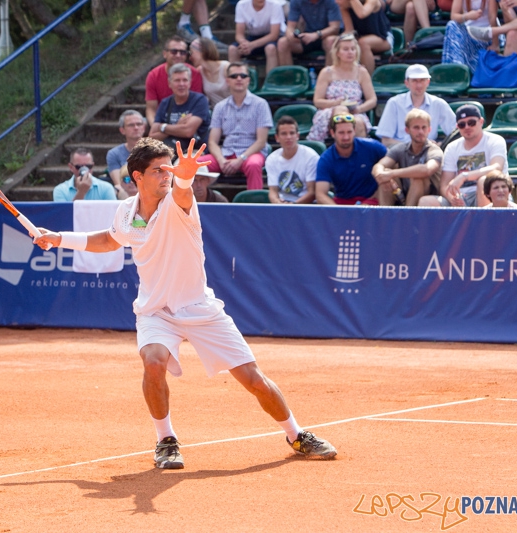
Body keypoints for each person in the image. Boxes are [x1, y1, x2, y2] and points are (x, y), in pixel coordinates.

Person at [32, 138, 338, 469]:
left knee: (253, 380)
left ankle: (296, 434)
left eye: (169, 170)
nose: (166, 176)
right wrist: (59, 238)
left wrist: (186, 176)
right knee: (153, 361)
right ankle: (166, 440)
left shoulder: (179, 204)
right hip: (155, 311)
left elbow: (181, 191)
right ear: (137, 177)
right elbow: (108, 239)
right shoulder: (126, 211)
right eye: (158, 171)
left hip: (200, 309)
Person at [198, 62, 273, 190]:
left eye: (243, 76)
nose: (239, 79)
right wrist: (221, 160)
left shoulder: (261, 104)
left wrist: (241, 159)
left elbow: (261, 142)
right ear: (228, 81)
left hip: (251, 153)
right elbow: (212, 142)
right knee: (195, 164)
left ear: (248, 80)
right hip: (226, 153)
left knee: (254, 165)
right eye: (234, 76)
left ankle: (256, 205)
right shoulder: (220, 107)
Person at [418, 105, 508, 207]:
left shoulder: (495, 140)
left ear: (481, 122)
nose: (467, 127)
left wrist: (465, 176)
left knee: (483, 181)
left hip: (491, 195)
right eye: (462, 124)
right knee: (426, 202)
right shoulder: (452, 147)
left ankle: (483, 223)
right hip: (461, 197)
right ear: (457, 127)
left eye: (471, 123)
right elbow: (444, 185)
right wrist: (453, 199)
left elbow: (497, 168)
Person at [307, 33, 377, 142]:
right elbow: (317, 101)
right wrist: (335, 103)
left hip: (355, 112)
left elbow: (372, 99)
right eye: (345, 49)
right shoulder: (327, 72)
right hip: (330, 111)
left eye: (353, 49)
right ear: (337, 52)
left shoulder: (362, 72)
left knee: (357, 122)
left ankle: (359, 154)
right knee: (342, 110)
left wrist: (359, 109)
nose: (350, 52)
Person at [372, 109, 444, 206]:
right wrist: (380, 175)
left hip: (430, 198)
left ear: (429, 130)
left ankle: (407, 216)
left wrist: (392, 174)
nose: (421, 131)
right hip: (404, 194)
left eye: (424, 127)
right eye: (416, 127)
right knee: (386, 180)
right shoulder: (400, 148)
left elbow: (427, 169)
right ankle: (385, 218)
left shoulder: (434, 150)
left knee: (418, 179)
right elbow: (380, 165)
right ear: (407, 130)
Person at [375, 64, 457, 148]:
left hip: (429, 151)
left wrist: (440, 145)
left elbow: (456, 132)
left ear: (428, 82)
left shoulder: (438, 103)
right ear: (407, 83)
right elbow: (386, 140)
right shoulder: (394, 103)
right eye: (414, 81)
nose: (419, 85)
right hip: (401, 152)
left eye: (422, 80)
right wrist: (414, 147)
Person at [315, 114, 387, 205]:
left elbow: (392, 160)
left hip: (372, 200)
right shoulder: (326, 159)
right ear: (333, 133)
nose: (346, 137)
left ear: (354, 131)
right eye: (341, 133)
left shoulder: (372, 146)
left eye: (349, 132)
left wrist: (377, 194)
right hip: (343, 202)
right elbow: (320, 194)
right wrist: (338, 211)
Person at [145, 37, 204, 127]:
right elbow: (151, 109)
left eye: (182, 52)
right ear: (165, 54)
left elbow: (195, 106)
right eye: (174, 51)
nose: (178, 55)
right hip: (162, 119)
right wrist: (156, 128)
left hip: (187, 119)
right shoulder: (154, 75)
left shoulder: (194, 74)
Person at [150, 64, 211, 149]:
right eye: (177, 80)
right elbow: (152, 136)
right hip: (169, 148)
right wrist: (177, 126)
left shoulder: (200, 100)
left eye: (185, 80)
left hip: (194, 150)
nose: (181, 84)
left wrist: (163, 127)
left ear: (189, 83)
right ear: (169, 83)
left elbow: (188, 131)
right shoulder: (165, 103)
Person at [266, 116, 319, 204]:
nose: (288, 137)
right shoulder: (271, 159)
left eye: (292, 133)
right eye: (284, 134)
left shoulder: (311, 156)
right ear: (277, 138)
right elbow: (273, 191)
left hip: (306, 206)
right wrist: (277, 202)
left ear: (297, 136)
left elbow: (312, 192)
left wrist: (293, 206)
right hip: (283, 205)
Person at [277, 0, 342, 66]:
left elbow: (335, 28)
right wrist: (291, 35)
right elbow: (290, 27)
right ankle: (288, 74)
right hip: (306, 37)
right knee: (283, 43)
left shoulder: (331, 1)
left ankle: (329, 75)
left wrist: (316, 35)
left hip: (325, 37)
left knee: (331, 41)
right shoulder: (296, 1)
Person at [441, 0, 499, 74]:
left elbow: (492, 18)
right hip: (469, 33)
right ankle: (456, 68)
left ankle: (462, 71)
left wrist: (495, 43)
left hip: (486, 34)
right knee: (451, 25)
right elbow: (453, 15)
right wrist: (467, 16)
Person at [228, 0, 286, 74]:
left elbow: (274, 35)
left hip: (270, 38)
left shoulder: (275, 5)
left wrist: (252, 45)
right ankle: (235, 78)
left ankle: (270, 81)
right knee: (232, 49)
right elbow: (239, 34)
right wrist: (244, 43)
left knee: (270, 48)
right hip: (253, 36)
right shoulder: (241, 5)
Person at [336, 0, 393, 73]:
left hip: (383, 37)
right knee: (338, 42)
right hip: (361, 37)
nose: (336, 2)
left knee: (363, 43)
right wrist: (341, 40)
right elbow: (349, 31)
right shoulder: (344, 7)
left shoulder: (372, 1)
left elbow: (361, 14)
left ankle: (368, 78)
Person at [107, 110, 148, 200]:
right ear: (122, 130)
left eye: (139, 124)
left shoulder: (155, 151)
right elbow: (118, 184)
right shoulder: (114, 154)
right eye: (131, 125)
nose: (136, 127)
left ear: (144, 127)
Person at [52, 148, 117, 202]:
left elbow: (113, 214)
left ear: (92, 166)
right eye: (79, 166)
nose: (84, 170)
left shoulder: (106, 188)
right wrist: (81, 192)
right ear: (71, 167)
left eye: (88, 166)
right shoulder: (60, 190)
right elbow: (65, 216)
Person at [189, 37, 231, 107]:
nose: (190, 57)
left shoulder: (226, 68)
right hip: (216, 113)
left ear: (202, 52)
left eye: (191, 52)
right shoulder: (200, 71)